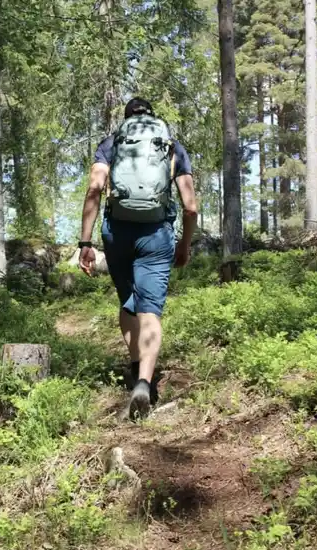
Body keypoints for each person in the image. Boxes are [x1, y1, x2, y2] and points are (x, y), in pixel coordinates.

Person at [77, 97, 197, 420]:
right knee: (151, 309)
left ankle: (134, 366)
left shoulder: (111, 143)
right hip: (157, 235)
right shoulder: (171, 147)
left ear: (126, 119)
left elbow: (94, 190)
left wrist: (85, 242)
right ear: (153, 118)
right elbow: (190, 206)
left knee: (129, 302)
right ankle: (144, 381)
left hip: (117, 233)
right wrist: (184, 244)